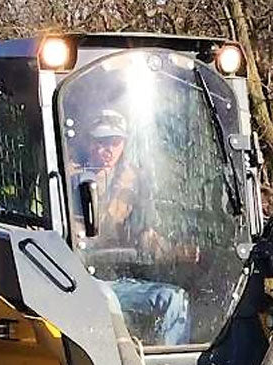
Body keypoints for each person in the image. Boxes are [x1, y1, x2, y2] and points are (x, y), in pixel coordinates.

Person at [74, 110, 193, 346]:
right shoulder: (67, 179)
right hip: (80, 282)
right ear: (88, 143)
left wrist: (175, 251)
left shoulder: (134, 183)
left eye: (114, 142)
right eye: (101, 142)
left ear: (124, 144)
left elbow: (145, 235)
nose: (108, 150)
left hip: (122, 280)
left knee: (176, 299)